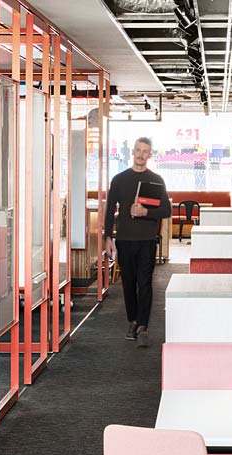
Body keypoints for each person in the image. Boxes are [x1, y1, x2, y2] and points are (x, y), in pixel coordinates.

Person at [103, 136, 171, 347]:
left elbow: (166, 210)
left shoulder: (157, 180)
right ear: (133, 152)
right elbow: (109, 209)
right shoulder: (119, 179)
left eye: (145, 151)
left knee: (145, 283)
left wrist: (145, 212)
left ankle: (142, 326)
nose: (141, 155)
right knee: (128, 283)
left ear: (150, 155)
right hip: (124, 239)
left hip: (147, 241)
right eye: (138, 150)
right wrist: (107, 237)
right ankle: (132, 320)